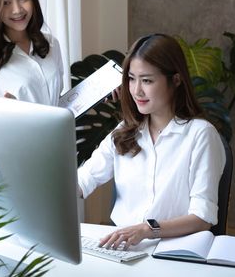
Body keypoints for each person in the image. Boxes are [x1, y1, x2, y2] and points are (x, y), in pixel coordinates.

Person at [77, 33, 226, 250]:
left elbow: (202, 218)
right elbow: (83, 180)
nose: (137, 90)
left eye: (147, 80)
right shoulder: (124, 132)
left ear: (175, 80)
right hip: (122, 249)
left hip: (173, 251)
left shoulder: (200, 135)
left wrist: (147, 230)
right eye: (131, 78)